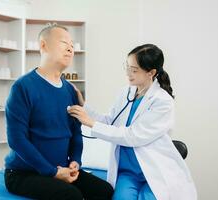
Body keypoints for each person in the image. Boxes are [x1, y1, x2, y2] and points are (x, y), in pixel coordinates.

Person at [68, 44, 197, 200]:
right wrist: (84, 106)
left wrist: (91, 123)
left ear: (151, 72)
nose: (128, 74)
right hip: (127, 172)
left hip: (155, 170)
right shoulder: (126, 92)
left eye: (134, 70)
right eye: (127, 67)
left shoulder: (162, 101)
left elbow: (132, 136)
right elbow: (111, 121)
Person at [3, 23, 113, 200]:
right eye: (64, 42)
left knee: (104, 191)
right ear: (43, 45)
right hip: (23, 173)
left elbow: (76, 134)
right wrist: (52, 172)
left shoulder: (70, 91)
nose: (70, 48)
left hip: (62, 168)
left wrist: (75, 161)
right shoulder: (23, 87)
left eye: (72, 45)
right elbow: (17, 140)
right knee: (71, 196)